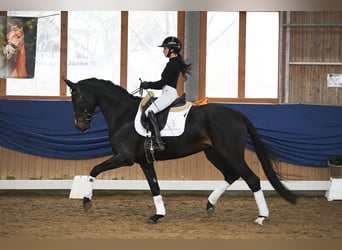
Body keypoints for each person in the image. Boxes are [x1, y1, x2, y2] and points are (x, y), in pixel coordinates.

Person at [140, 36, 191, 151]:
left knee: (149, 111)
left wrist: (147, 84)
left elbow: (162, 83)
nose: (163, 50)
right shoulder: (174, 62)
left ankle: (158, 141)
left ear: (171, 50)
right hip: (167, 92)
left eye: (165, 48)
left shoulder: (172, 64)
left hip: (169, 94)